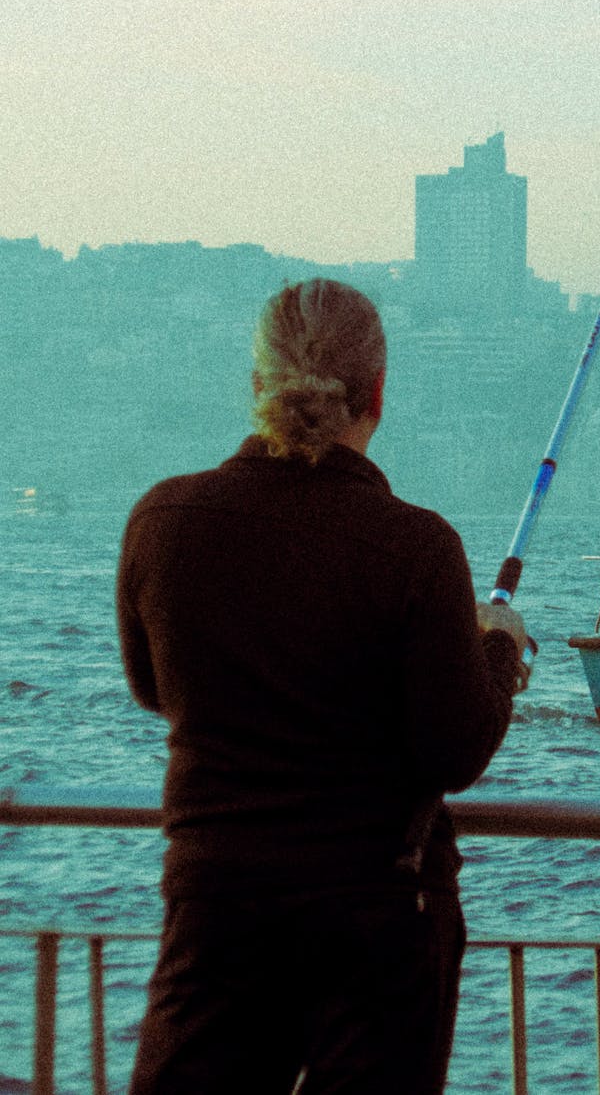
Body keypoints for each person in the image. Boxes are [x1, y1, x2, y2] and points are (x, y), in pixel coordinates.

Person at [117, 278, 529, 1094]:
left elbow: (153, 688)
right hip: (376, 914)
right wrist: (496, 652)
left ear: (256, 387)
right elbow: (454, 751)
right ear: (377, 394)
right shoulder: (416, 546)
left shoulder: (164, 520)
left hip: (217, 900)